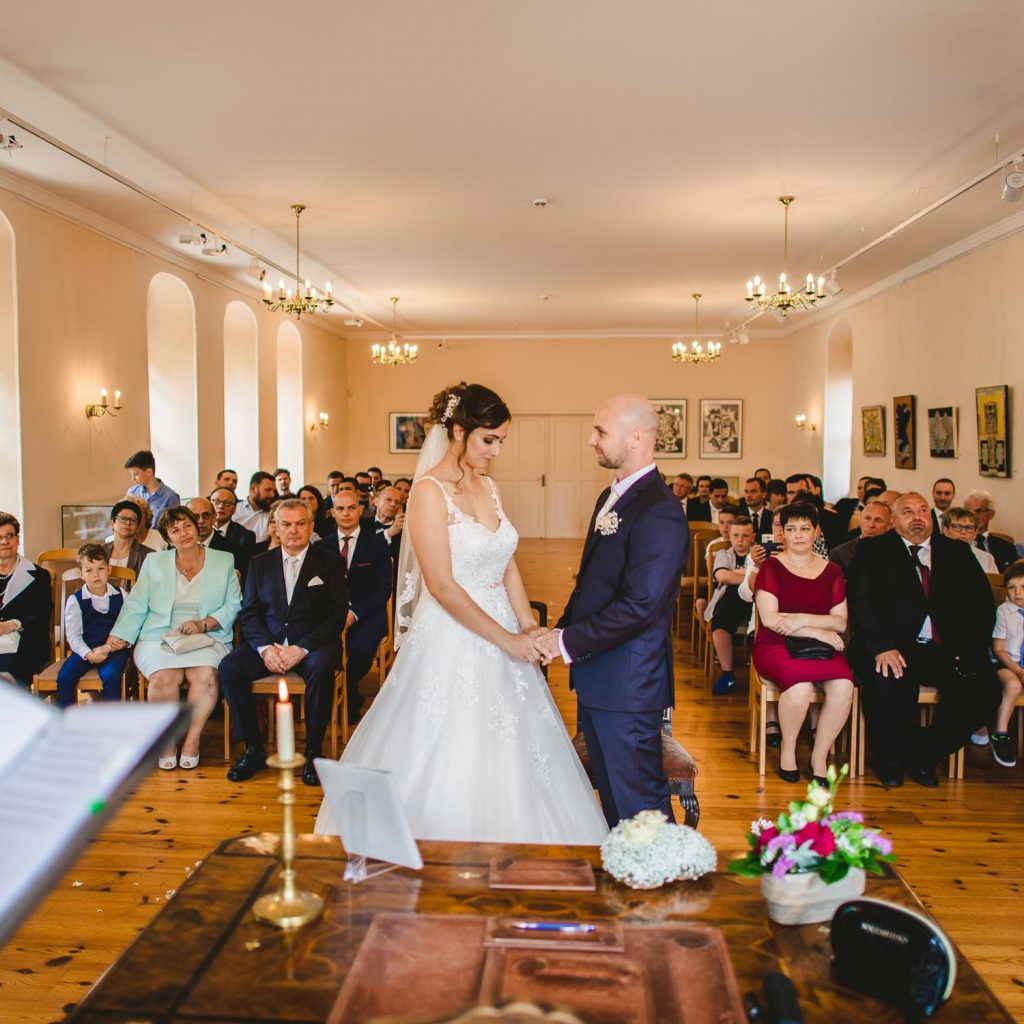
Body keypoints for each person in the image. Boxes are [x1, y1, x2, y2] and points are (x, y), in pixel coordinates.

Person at [315, 382, 608, 843]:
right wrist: (507, 638)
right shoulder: (429, 493)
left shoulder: (489, 488)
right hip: (454, 635)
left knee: (516, 747)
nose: (495, 451)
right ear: (458, 431)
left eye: (500, 442)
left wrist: (528, 624)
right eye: (489, 439)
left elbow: (505, 560)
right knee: (449, 743)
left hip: (505, 627)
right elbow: (443, 586)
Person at [535, 394, 688, 829]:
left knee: (640, 802)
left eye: (600, 431)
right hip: (599, 674)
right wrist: (559, 630)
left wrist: (565, 641)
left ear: (636, 436)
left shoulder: (659, 510)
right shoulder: (612, 495)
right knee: (613, 802)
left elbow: (641, 606)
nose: (590, 440)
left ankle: (662, 887)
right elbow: (593, 585)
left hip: (628, 682)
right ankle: (627, 880)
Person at [847, 492, 999, 789]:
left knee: (984, 691)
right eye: (907, 511)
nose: (917, 517)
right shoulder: (873, 551)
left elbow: (981, 607)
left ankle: (924, 755)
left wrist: (967, 651)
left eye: (922, 511)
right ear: (893, 520)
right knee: (887, 686)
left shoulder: (956, 552)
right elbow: (861, 601)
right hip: (892, 646)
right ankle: (891, 762)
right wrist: (881, 646)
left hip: (945, 648)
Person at [221, 499, 348, 787]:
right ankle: (253, 748)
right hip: (270, 644)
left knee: (321, 667)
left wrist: (300, 648)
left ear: (311, 526)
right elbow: (250, 613)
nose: (294, 530)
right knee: (230, 667)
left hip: (312, 645)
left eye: (301, 523)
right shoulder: (258, 563)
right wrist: (265, 649)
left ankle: (313, 752)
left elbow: (335, 616)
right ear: (275, 528)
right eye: (286, 524)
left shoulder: (329, 562)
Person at [108, 506, 242, 769]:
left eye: (187, 526)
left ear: (197, 527)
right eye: (175, 530)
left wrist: (203, 624)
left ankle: (192, 740)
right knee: (164, 677)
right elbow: (137, 604)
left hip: (207, 636)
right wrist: (120, 635)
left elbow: (233, 604)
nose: (184, 533)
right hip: (159, 635)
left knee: (204, 675)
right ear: (168, 538)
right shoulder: (155, 562)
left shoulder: (223, 559)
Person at [753, 502, 854, 785]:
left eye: (805, 529)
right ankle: (788, 751)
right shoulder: (771, 567)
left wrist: (799, 620)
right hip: (775, 645)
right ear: (782, 534)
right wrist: (818, 630)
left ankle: (819, 756)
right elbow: (771, 619)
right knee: (799, 689)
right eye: (791, 529)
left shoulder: (832, 570)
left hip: (821, 647)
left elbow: (840, 622)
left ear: (816, 531)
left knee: (844, 686)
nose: (798, 535)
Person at [317, 489, 392, 725]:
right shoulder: (322, 547)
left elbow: (383, 589)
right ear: (332, 513)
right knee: (325, 650)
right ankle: (344, 696)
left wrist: (355, 613)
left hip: (367, 612)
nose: (346, 513)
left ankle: (347, 691)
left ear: (360, 511)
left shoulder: (376, 545)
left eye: (351, 508)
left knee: (359, 649)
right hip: (331, 613)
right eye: (340, 509)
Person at [56, 544, 130, 708]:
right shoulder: (75, 601)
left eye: (101, 568)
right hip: (87, 648)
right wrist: (88, 654)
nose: (96, 574)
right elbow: (74, 636)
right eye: (89, 570)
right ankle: (65, 722)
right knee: (65, 676)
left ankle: (110, 720)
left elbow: (130, 624)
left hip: (114, 649)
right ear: (81, 574)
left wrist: (124, 641)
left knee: (110, 675)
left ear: (109, 569)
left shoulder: (121, 595)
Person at [707, 515, 763, 695]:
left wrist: (737, 575)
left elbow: (762, 580)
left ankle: (761, 674)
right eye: (736, 535)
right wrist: (749, 575)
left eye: (745, 536)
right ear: (730, 536)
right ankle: (728, 674)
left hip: (755, 599)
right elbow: (722, 576)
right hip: (731, 600)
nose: (740, 540)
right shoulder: (723, 554)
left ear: (753, 537)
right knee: (720, 620)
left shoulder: (759, 554)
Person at [0, 512, 53, 688]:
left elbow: (41, 616)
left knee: (7, 670)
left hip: (26, 641)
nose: (4, 542)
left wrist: (11, 625)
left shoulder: (39, 576)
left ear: (17, 539)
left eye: (9, 536)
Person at [989, 562, 1024, 768]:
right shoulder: (1004, 612)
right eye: (1012, 587)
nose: (1017, 593)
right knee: (1013, 685)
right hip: (1005, 664)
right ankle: (1000, 734)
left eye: (1022, 587)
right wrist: (1018, 670)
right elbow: (999, 649)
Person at [829, 498, 892, 575]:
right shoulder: (839, 555)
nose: (871, 525)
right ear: (860, 521)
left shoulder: (899, 552)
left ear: (890, 525)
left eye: (878, 520)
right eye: (867, 518)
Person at [963, 490, 1016, 572]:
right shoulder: (956, 543)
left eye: (979, 511)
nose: (974, 516)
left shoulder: (1007, 548)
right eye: (969, 511)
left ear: (991, 514)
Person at [208, 488, 256, 574]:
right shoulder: (199, 532)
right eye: (217, 502)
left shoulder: (245, 537)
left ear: (234, 509)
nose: (221, 506)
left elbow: (243, 570)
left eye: (226, 503)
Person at [124, 449, 180, 519]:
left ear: (149, 472)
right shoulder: (132, 492)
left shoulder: (170, 497)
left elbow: (175, 525)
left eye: (135, 474)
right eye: (131, 475)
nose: (132, 478)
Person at [104, 500, 152, 577]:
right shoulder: (99, 551)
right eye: (123, 519)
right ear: (112, 523)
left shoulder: (149, 555)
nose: (127, 523)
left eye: (133, 520)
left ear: (137, 527)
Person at [941, 508, 997, 573]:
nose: (963, 532)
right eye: (957, 526)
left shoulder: (986, 558)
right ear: (945, 530)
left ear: (976, 533)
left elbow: (994, 582)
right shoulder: (934, 554)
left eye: (969, 527)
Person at [234, 471, 276, 542]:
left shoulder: (273, 514)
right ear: (253, 490)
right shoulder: (235, 510)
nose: (272, 495)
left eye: (273, 491)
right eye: (268, 490)